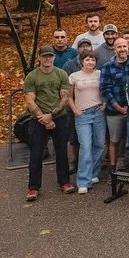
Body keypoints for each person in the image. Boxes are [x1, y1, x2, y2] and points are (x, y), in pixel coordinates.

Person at [23, 46, 75, 201]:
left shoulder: (61, 74)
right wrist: (43, 118)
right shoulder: (32, 77)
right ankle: (33, 187)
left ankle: (64, 182)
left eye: (50, 56)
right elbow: (29, 100)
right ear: (39, 57)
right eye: (44, 56)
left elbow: (65, 98)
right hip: (38, 120)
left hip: (59, 117)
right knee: (36, 154)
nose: (47, 59)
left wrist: (51, 115)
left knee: (61, 152)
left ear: (53, 57)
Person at [67, 50, 105, 193]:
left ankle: (93, 173)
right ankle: (83, 180)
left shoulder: (100, 74)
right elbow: (69, 96)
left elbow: (105, 91)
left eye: (93, 60)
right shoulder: (74, 76)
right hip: (82, 115)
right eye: (88, 59)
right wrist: (75, 110)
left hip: (98, 112)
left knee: (99, 144)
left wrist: (105, 104)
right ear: (81, 61)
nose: (91, 62)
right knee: (85, 147)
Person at [100, 37, 129, 172]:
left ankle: (128, 166)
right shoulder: (107, 66)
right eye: (119, 47)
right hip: (114, 109)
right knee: (114, 140)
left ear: (128, 47)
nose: (122, 49)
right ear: (114, 49)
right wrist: (118, 107)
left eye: (124, 46)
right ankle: (113, 170)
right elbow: (105, 89)